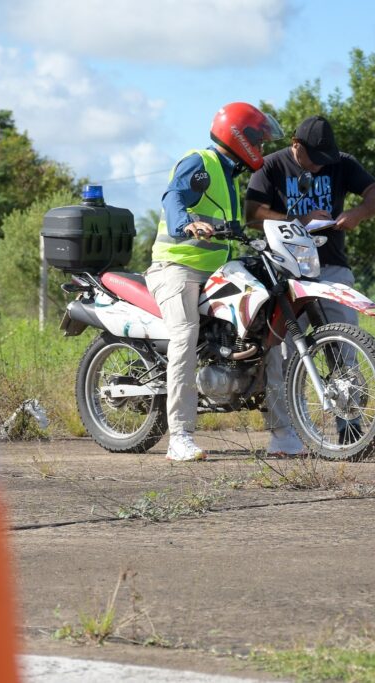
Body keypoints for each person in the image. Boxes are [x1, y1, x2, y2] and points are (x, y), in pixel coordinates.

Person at [146, 102, 284, 462]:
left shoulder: (228, 175)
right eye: (260, 141)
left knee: (267, 322)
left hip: (216, 270)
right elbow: (174, 196)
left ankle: (284, 434)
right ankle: (179, 437)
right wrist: (186, 223)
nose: (264, 149)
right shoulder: (201, 163)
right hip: (176, 268)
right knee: (185, 335)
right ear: (241, 137)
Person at [246, 115, 375, 454]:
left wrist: (358, 213)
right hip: (283, 273)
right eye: (315, 159)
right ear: (296, 145)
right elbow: (252, 215)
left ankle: (351, 430)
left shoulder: (341, 163)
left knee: (344, 348)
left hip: (331, 270)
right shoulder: (270, 166)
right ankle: (286, 435)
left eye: (327, 159)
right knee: (281, 354)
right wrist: (296, 220)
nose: (323, 166)